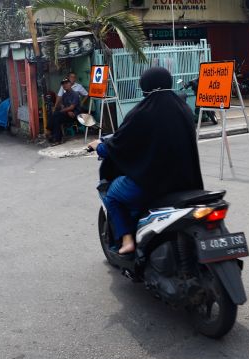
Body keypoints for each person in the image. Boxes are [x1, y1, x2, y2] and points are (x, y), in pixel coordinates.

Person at [87, 67, 204, 254]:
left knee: (112, 195)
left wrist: (98, 146)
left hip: (152, 183)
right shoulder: (184, 108)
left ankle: (127, 240)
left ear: (145, 86)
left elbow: (119, 144)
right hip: (186, 181)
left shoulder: (141, 112)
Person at [48, 79, 80, 144]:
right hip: (67, 113)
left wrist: (63, 110)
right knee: (55, 116)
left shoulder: (75, 94)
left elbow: (72, 107)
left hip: (73, 115)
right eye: (63, 84)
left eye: (66, 83)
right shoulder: (64, 95)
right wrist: (66, 111)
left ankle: (50, 132)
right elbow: (63, 105)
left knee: (56, 116)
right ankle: (57, 138)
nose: (64, 85)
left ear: (70, 84)